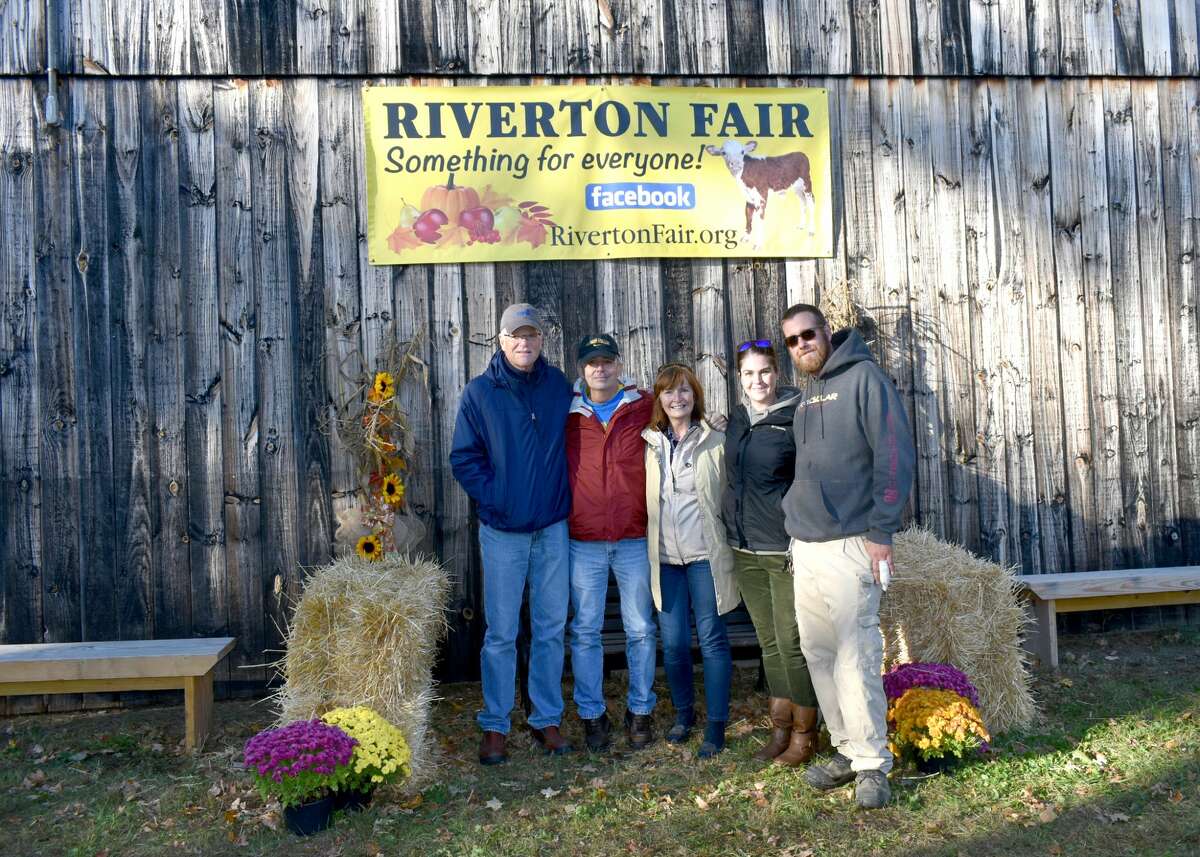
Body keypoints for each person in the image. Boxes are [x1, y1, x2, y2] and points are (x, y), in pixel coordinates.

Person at [779, 303, 915, 809]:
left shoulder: (864, 379)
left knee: (856, 656)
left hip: (851, 542)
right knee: (820, 654)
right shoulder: (806, 395)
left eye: (808, 334)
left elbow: (894, 454)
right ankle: (847, 748)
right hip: (806, 546)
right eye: (792, 340)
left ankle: (873, 764)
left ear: (826, 333)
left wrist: (882, 530)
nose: (802, 345)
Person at [450, 303, 574, 765]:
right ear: (501, 340)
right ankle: (495, 724)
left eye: (532, 335)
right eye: (516, 335)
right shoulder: (481, 393)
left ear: (541, 340)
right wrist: (497, 497)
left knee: (550, 629)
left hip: (552, 528)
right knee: (501, 632)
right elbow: (464, 458)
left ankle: (545, 718)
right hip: (503, 531)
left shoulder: (558, 386)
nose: (525, 343)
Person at [722, 340, 820, 767]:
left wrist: (801, 532)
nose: (757, 380)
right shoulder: (737, 418)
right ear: (739, 378)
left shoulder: (798, 416)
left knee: (791, 642)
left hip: (783, 548)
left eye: (764, 371)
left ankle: (805, 734)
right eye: (748, 373)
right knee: (769, 643)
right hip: (743, 548)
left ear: (777, 373)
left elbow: (811, 478)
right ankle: (780, 729)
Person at [565, 334, 658, 751]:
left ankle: (640, 709)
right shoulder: (568, 412)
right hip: (583, 539)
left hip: (633, 537)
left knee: (640, 627)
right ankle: (592, 714)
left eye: (606, 361)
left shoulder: (643, 406)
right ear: (581, 369)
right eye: (592, 362)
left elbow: (682, 416)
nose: (599, 369)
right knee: (586, 630)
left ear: (619, 364)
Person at [643, 363, 737, 758]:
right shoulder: (649, 442)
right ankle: (684, 713)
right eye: (668, 391)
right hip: (666, 559)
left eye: (684, 390)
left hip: (704, 557)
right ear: (659, 399)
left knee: (712, 639)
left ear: (695, 394)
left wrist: (724, 425)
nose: (677, 398)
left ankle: (716, 724)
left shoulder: (714, 438)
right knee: (674, 644)